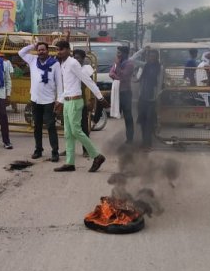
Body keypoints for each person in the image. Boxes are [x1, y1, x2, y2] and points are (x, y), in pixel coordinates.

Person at [54, 41, 109, 172]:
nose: (59, 52)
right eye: (57, 49)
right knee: (68, 134)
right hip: (67, 101)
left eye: (61, 49)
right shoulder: (63, 64)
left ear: (68, 50)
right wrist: (60, 101)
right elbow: (65, 85)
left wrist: (99, 97)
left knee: (76, 131)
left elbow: (87, 80)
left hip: (75, 101)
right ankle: (70, 163)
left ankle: (97, 155)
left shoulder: (73, 63)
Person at [19, 40, 62, 162]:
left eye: (43, 49)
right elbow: (21, 52)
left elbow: (59, 83)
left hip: (49, 100)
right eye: (39, 50)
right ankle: (38, 149)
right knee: (37, 126)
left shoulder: (55, 64)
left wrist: (59, 99)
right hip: (35, 99)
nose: (41, 52)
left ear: (47, 51)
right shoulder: (32, 60)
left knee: (50, 126)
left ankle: (55, 152)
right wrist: (33, 45)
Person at [131, 46, 162, 150]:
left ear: (157, 57)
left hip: (153, 99)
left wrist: (158, 98)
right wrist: (142, 50)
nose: (151, 58)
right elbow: (132, 60)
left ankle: (148, 144)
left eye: (154, 56)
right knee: (142, 121)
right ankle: (145, 142)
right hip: (142, 97)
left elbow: (159, 84)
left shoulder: (160, 68)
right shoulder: (144, 66)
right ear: (147, 57)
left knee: (149, 122)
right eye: (150, 56)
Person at [109, 45, 135, 144]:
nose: (117, 55)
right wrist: (117, 77)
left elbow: (124, 76)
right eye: (117, 53)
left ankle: (130, 138)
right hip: (118, 91)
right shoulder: (118, 63)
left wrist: (118, 67)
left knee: (128, 116)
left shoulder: (129, 64)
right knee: (117, 112)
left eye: (119, 53)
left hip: (126, 92)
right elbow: (111, 73)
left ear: (125, 54)